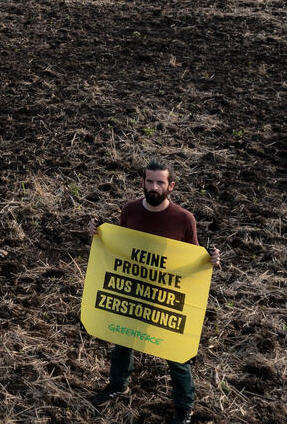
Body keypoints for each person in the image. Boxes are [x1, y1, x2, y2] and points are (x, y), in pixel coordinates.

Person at [87, 160, 222, 424]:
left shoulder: (184, 219)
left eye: (160, 182)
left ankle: (184, 407)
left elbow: (192, 257)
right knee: (122, 339)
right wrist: (98, 233)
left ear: (171, 186)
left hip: (166, 297)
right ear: (143, 182)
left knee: (176, 353)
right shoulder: (130, 210)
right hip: (133, 291)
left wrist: (210, 260)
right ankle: (118, 385)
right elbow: (121, 246)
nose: (154, 187)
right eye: (150, 181)